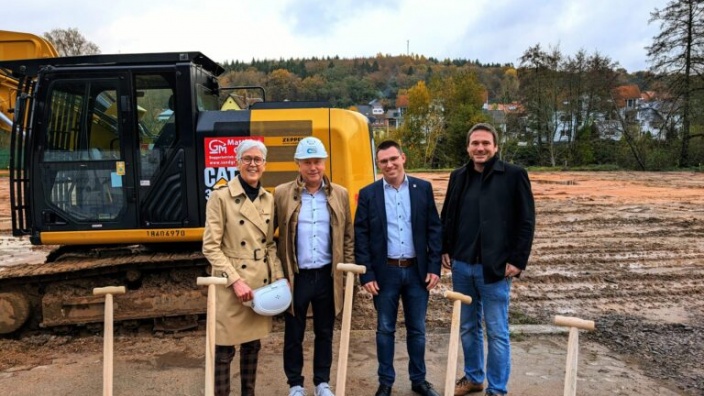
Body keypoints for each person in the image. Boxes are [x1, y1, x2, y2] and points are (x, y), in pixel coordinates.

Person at [441, 123, 535, 396]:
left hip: (495, 269)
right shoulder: (458, 176)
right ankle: (473, 378)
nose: (480, 148)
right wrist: (445, 247)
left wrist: (518, 259)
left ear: (495, 146)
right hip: (462, 266)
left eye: (485, 143)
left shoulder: (514, 176)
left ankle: (497, 389)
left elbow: (526, 221)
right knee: (468, 326)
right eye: (475, 143)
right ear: (468, 147)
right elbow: (448, 214)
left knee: (497, 331)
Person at [354, 140, 442, 396]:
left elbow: (434, 229)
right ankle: (386, 382)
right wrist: (367, 273)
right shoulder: (369, 194)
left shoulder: (422, 189)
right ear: (378, 164)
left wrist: (434, 267)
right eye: (384, 161)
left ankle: (419, 380)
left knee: (417, 329)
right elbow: (361, 235)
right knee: (385, 329)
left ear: (403, 158)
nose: (390, 164)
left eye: (394, 159)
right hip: (385, 274)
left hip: (417, 272)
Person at [202, 139, 285, 396]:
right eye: (247, 159)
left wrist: (280, 278)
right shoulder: (220, 197)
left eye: (257, 159)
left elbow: (270, 245)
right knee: (224, 348)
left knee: (252, 345)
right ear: (238, 163)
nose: (252, 164)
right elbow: (210, 247)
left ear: (264, 165)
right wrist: (235, 280)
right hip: (231, 285)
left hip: (258, 283)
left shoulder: (268, 199)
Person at [274, 136, 354, 396]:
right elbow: (270, 237)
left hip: (327, 276)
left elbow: (348, 237)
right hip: (296, 277)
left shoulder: (339, 194)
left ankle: (322, 382)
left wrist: (347, 273)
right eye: (307, 162)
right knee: (293, 333)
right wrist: (278, 273)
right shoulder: (282, 193)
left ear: (324, 163)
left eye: (317, 162)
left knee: (324, 331)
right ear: (298, 164)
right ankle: (295, 384)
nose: (313, 167)